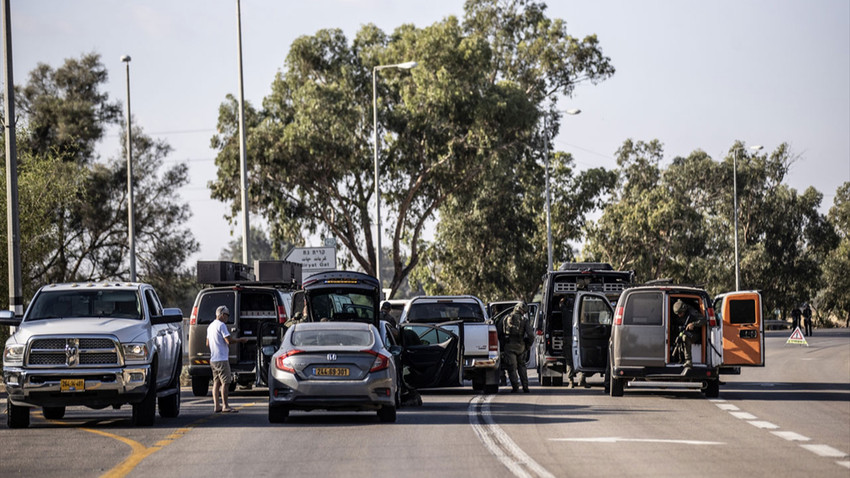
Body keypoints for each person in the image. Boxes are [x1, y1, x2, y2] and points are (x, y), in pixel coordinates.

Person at [206, 305, 248, 413]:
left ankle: (217, 406)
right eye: (227, 315)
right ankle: (225, 405)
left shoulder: (210, 326)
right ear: (221, 314)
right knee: (226, 382)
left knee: (216, 382)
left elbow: (207, 343)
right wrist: (240, 340)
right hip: (222, 359)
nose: (227, 317)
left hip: (213, 359)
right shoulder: (221, 325)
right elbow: (228, 340)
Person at [502, 302, 533, 393]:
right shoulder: (525, 320)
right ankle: (525, 386)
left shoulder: (506, 318)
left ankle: (515, 387)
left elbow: (500, 333)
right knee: (522, 366)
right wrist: (528, 345)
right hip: (521, 346)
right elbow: (531, 335)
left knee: (512, 368)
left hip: (509, 346)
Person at [558, 296, 586, 388]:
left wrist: (563, 298)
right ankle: (582, 380)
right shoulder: (578, 313)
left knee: (569, 361)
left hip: (567, 338)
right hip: (578, 339)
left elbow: (560, 304)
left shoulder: (565, 312)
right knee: (581, 359)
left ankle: (571, 382)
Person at [672, 299, 706, 368]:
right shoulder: (677, 314)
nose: (679, 315)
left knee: (685, 337)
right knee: (679, 339)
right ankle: (680, 359)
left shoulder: (691, 312)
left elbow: (703, 320)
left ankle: (688, 361)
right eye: (678, 314)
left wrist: (693, 324)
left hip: (694, 334)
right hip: (683, 332)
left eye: (680, 313)